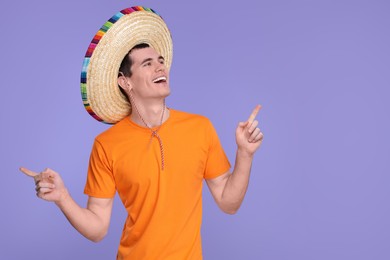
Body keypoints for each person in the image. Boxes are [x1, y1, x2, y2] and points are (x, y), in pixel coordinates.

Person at [20, 6, 264, 260]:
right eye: (147, 64)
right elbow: (98, 228)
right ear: (125, 81)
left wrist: (245, 154)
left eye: (160, 61)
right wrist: (63, 198)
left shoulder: (200, 128)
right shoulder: (107, 144)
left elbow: (228, 202)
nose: (160, 68)